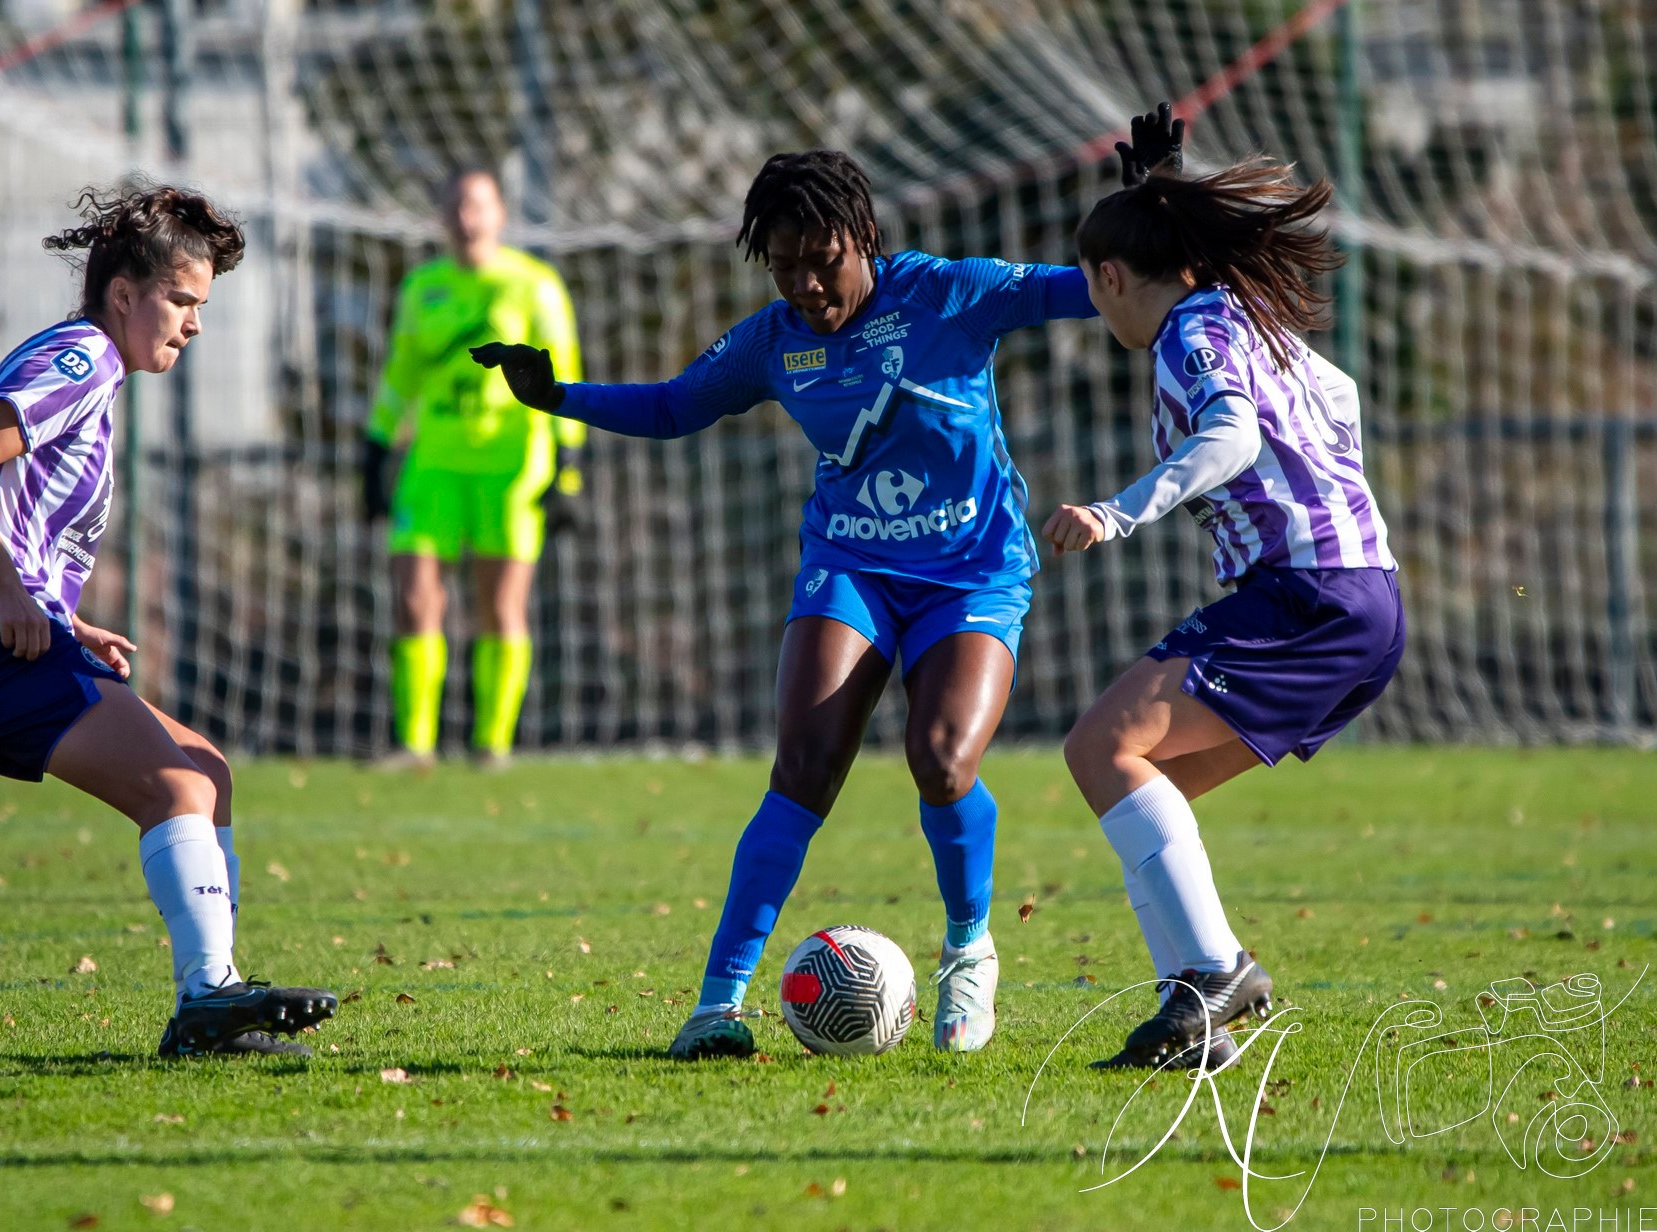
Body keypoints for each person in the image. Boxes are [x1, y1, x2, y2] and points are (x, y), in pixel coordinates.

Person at [475, 147, 1100, 1059]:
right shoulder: (773, 340)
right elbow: (675, 406)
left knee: (939, 760)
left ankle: (968, 950)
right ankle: (717, 1007)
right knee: (801, 768)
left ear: (866, 240)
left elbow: (1092, 288)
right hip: (849, 566)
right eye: (784, 265)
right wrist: (556, 396)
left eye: (823, 259)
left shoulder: (950, 292)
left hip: (971, 571)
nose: (806, 283)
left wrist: (1156, 204)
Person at [0, 184, 338, 1059]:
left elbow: (14, 512)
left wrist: (58, 615)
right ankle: (209, 1003)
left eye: (200, 305)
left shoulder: (92, 369)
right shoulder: (81, 357)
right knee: (176, 787)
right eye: (181, 300)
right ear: (125, 294)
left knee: (205, 767)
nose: (193, 324)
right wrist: (11, 596)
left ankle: (213, 997)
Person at [1040, 110, 1404, 1069]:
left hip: (1307, 593)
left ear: (1110, 277)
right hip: (1364, 594)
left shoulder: (1184, 334)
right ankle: (1191, 1019)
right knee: (1140, 780)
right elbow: (1341, 398)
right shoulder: (1240, 311)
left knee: (1100, 746)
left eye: (1092, 285)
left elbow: (1232, 437)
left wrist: (1117, 512)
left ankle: (1213, 976)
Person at [362, 167, 585, 769]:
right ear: (443, 217)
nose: (468, 218)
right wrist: (377, 447)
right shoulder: (421, 287)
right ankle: (416, 744)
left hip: (511, 467)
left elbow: (564, 374)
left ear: (501, 215)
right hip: (433, 462)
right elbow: (400, 373)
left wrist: (568, 466)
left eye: (479, 206)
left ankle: (492, 744)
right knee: (414, 597)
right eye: (457, 206)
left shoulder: (534, 286)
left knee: (501, 604)